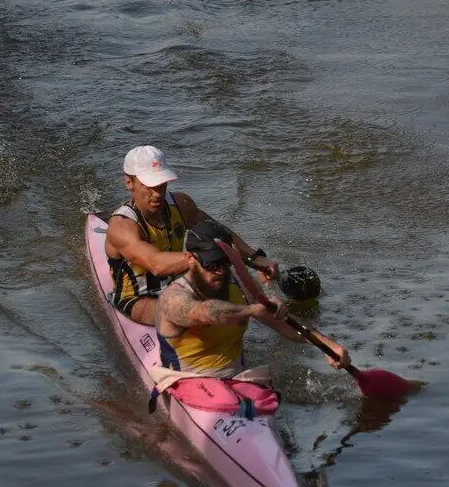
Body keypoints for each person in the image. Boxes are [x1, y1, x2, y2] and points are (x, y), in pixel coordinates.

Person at [104, 145, 280, 326]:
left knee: (234, 280)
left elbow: (219, 233)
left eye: (161, 184)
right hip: (138, 299)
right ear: (129, 183)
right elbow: (154, 263)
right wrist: (206, 257)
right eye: (149, 186)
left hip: (178, 286)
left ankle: (277, 316)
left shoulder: (182, 204)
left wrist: (256, 259)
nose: (157, 193)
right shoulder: (121, 227)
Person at [155, 220, 350, 377]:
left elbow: (286, 327)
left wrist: (327, 345)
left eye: (225, 262)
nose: (220, 271)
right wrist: (252, 310)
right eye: (211, 264)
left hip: (236, 378)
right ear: (190, 259)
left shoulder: (237, 284)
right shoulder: (173, 298)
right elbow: (204, 313)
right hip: (188, 382)